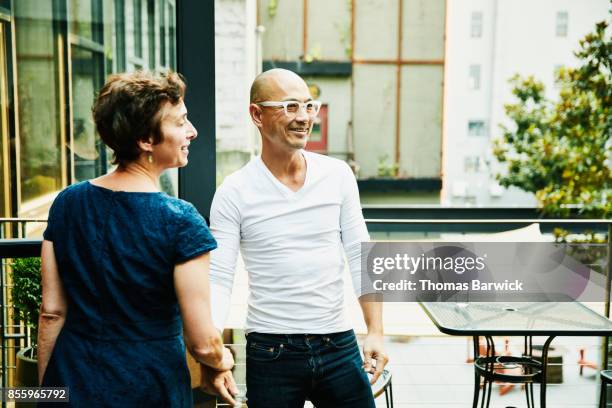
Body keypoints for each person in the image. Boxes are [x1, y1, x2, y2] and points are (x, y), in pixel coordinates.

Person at [38, 71, 237, 407]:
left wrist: (47, 394)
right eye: (180, 122)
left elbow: (51, 312)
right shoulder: (180, 220)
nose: (192, 132)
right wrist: (223, 363)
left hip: (72, 378)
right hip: (148, 385)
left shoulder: (67, 203)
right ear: (146, 140)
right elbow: (203, 342)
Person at [206, 68, 388, 407]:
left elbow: (361, 253)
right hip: (270, 351)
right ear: (256, 114)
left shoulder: (337, 176)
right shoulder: (234, 191)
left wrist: (375, 329)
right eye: (290, 107)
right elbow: (218, 278)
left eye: (309, 106)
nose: (304, 118)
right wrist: (214, 356)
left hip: (338, 344)